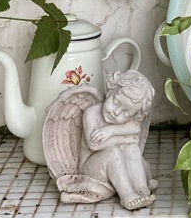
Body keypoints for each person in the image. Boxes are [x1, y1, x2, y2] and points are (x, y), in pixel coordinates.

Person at [45, 69, 157, 210]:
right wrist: (124, 137)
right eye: (116, 102)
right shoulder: (91, 113)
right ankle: (127, 195)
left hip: (115, 162)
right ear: (110, 91)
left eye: (125, 113)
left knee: (133, 149)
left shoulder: (126, 120)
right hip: (91, 167)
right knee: (113, 153)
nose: (116, 112)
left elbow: (135, 130)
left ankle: (141, 188)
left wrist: (111, 131)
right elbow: (95, 144)